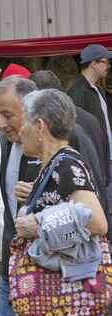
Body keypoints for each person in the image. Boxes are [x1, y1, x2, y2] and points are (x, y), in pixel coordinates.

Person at [16, 89, 108, 316]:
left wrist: (38, 225)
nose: (20, 130)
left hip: (66, 300)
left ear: (40, 126)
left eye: (24, 121)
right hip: (58, 299)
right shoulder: (55, 164)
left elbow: (97, 223)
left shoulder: (67, 165)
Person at [30, 70, 110, 238]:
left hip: (77, 249)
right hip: (101, 197)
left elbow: (93, 221)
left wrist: (39, 224)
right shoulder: (89, 119)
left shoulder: (64, 142)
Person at [0, 76, 40, 316]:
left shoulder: (64, 141)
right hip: (12, 266)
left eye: (7, 115)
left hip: (53, 270)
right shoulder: (6, 143)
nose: (1, 124)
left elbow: (92, 213)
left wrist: (44, 195)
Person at [68, 44, 112, 221]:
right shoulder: (77, 92)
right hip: (93, 161)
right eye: (105, 62)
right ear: (93, 63)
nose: (108, 66)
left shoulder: (99, 90)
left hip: (106, 157)